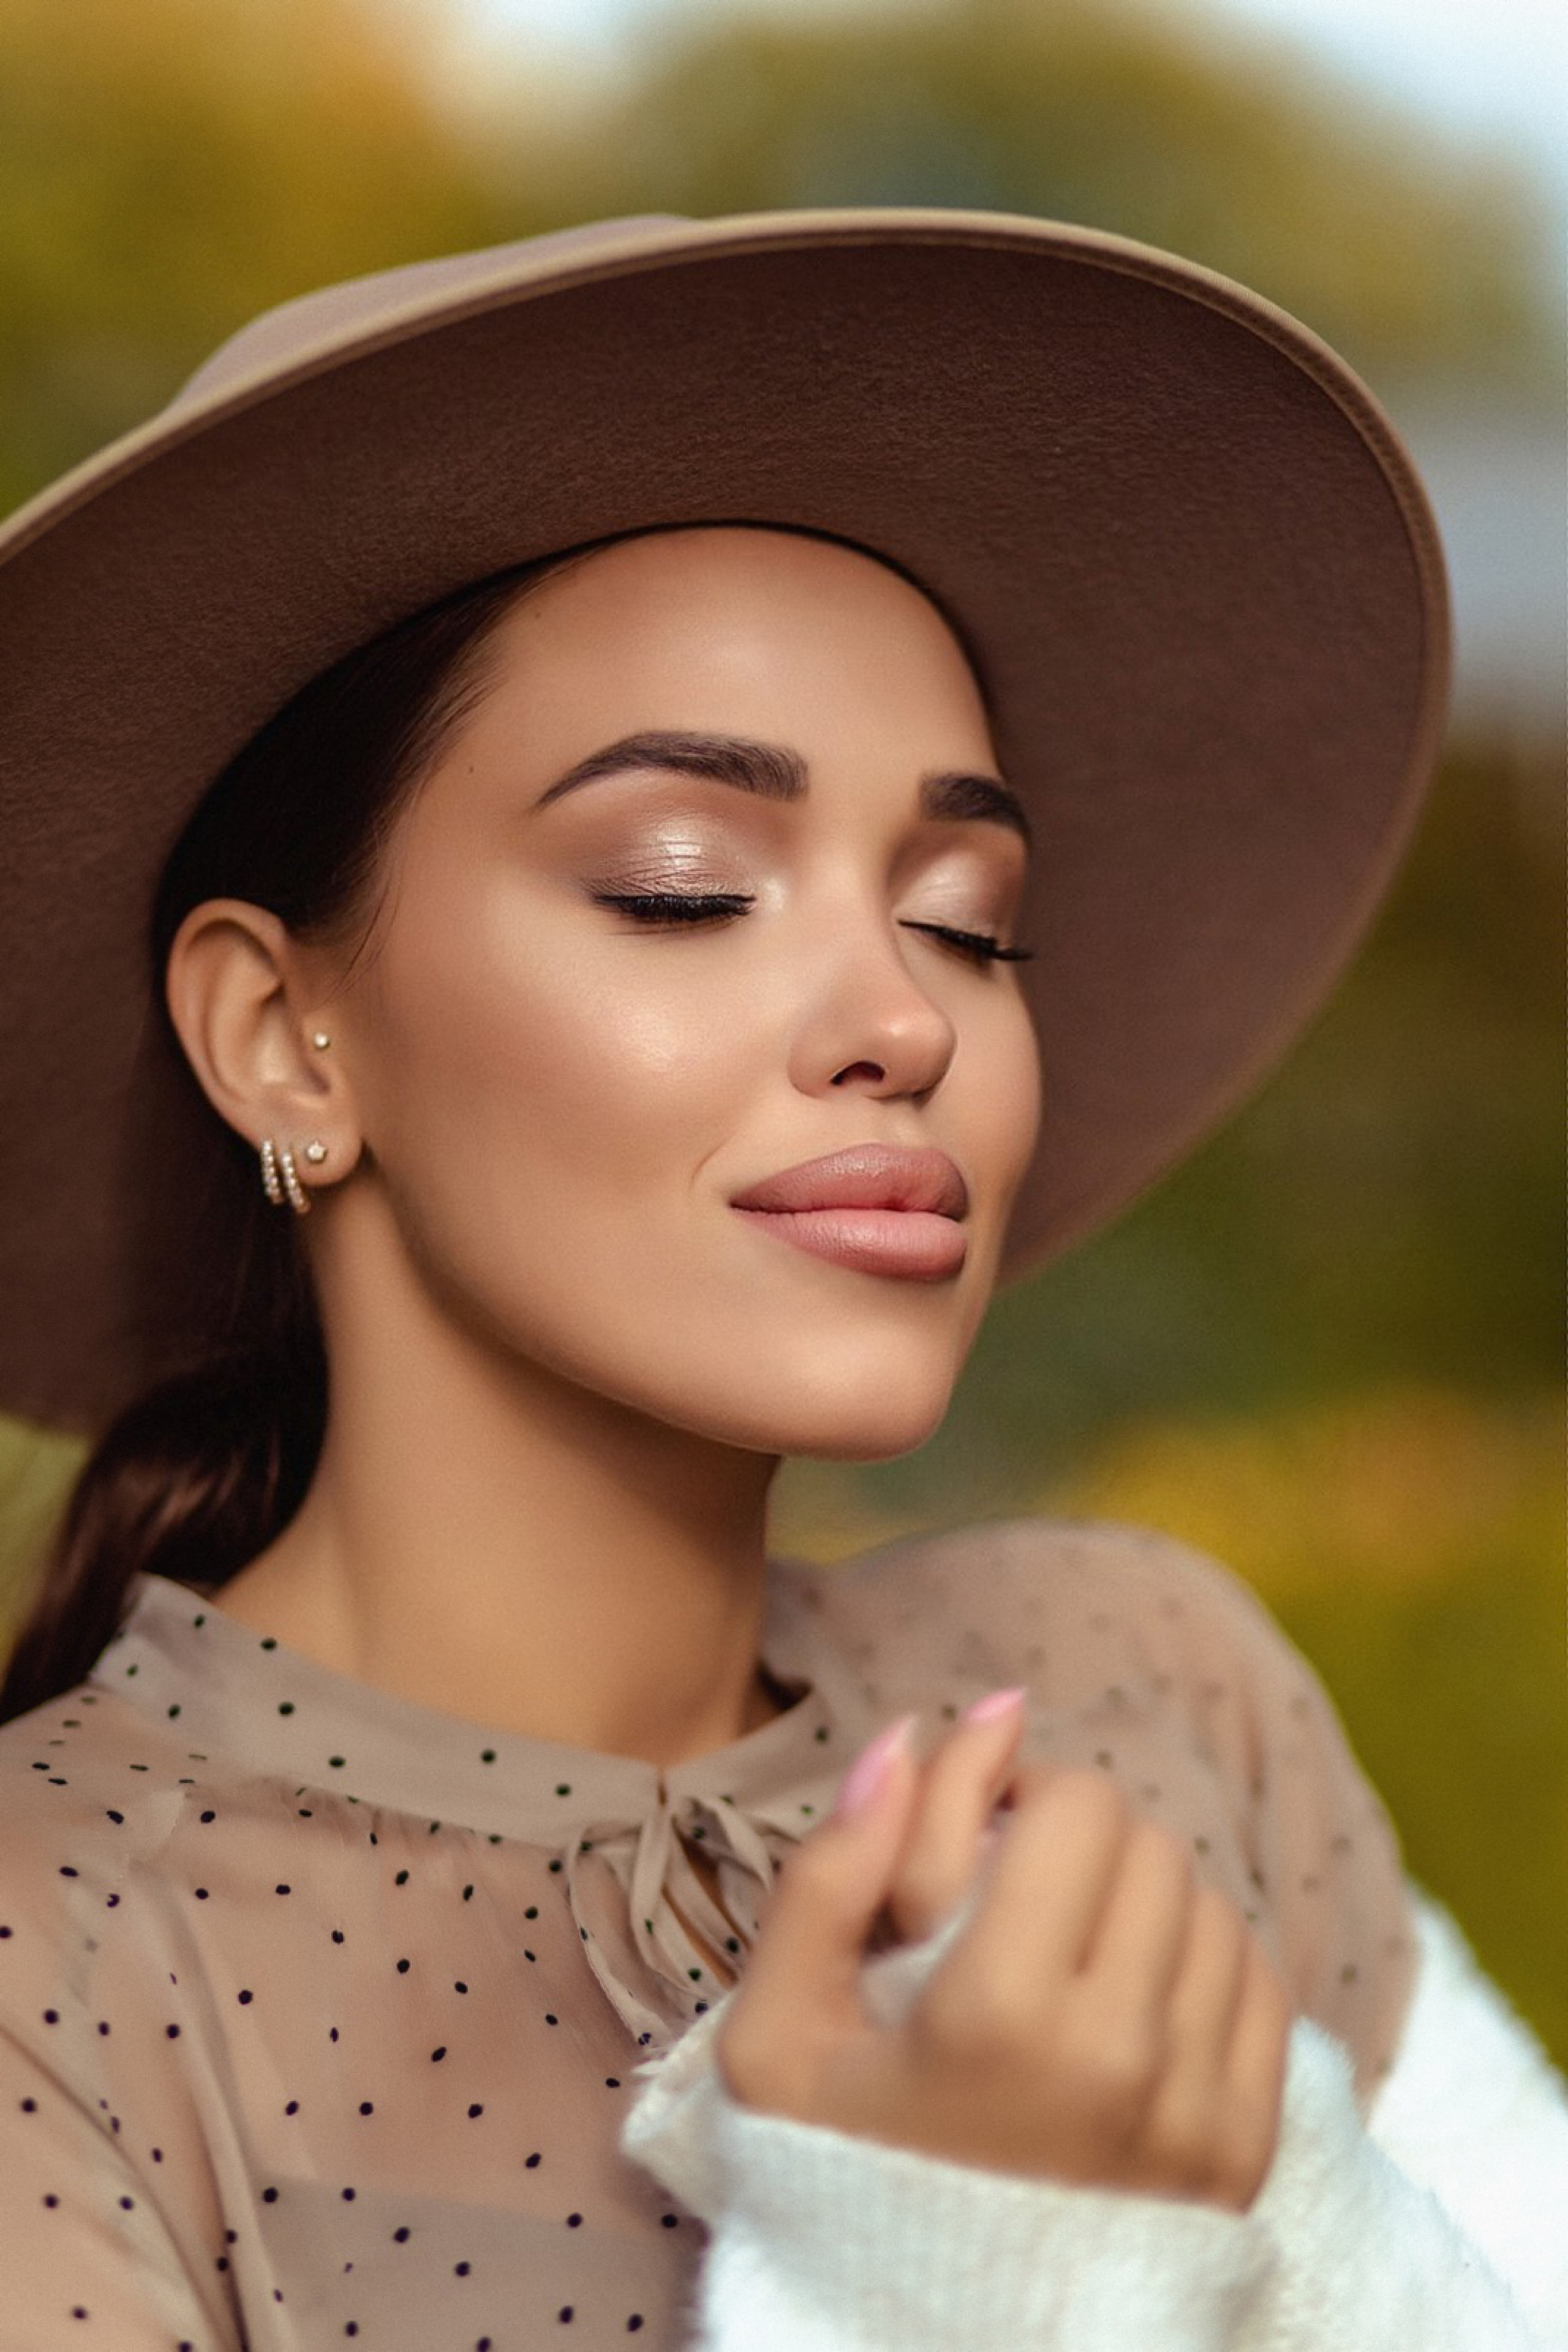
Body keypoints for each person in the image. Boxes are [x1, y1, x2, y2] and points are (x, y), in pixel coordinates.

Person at [0, 211, 1561, 2350]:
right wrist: (954, 2259)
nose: (903, 1018)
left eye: (968, 919)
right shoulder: (56, 1963)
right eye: (687, 887)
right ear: (282, 1034)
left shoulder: (1141, 1685)